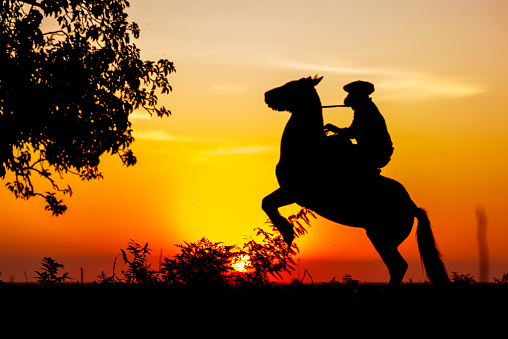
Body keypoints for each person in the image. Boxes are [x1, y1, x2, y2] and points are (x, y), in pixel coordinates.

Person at [324, 80, 393, 176]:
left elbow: (352, 133)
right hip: (376, 150)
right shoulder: (366, 107)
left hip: (374, 152)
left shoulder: (364, 109)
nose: (347, 99)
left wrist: (335, 129)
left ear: (357, 96)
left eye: (350, 95)